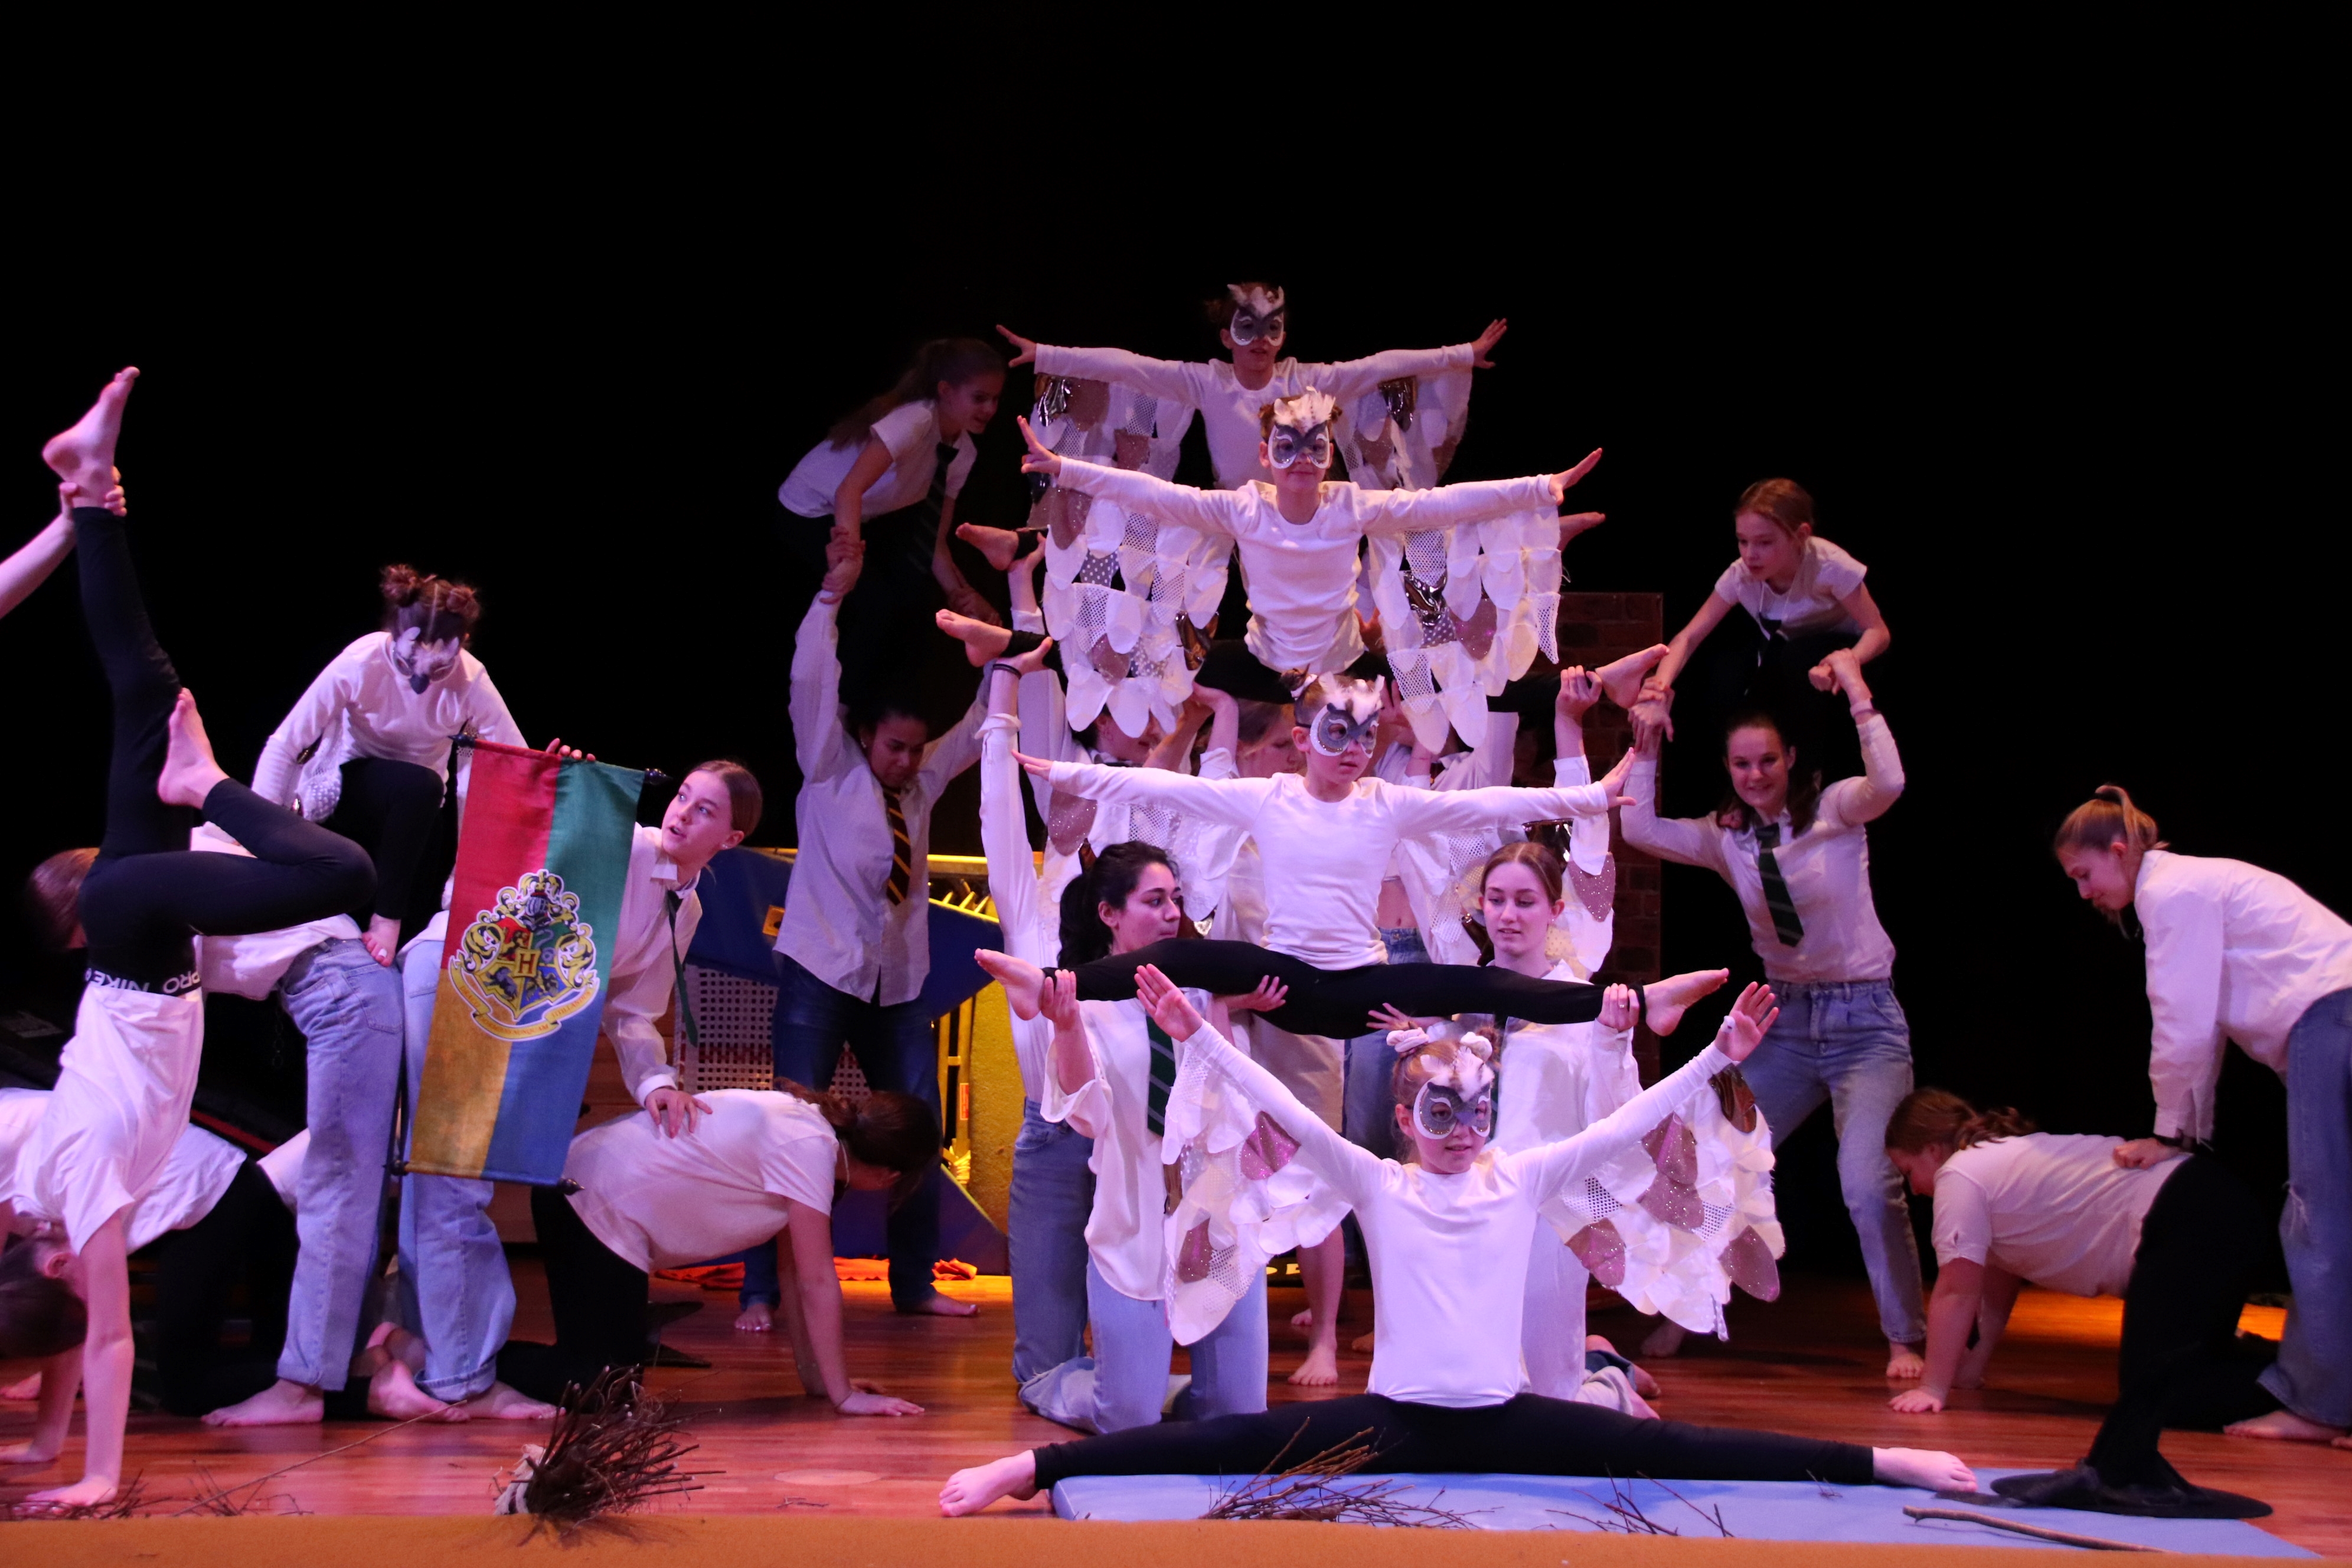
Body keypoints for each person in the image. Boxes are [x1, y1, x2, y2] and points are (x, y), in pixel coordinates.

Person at [939, 965, 1977, 1514]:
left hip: (1509, 1420)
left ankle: (1880, 1461)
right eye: (1439, 1113)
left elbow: (1630, 1121)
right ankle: (1027, 1467)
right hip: (1392, 1423)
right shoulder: (1379, 1181)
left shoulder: (1522, 1176)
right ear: (1403, 1117)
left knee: (1689, 1453)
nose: (1461, 1130)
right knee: (1219, 1441)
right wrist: (1197, 1036)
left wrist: (1717, 1055)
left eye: (1475, 1111)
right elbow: (1282, 1109)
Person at [4, 370, 376, 1506]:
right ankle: (95, 488)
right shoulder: (49, 1204)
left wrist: (99, 1478)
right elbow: (68, 1324)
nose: (96, 1279)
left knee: (344, 875)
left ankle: (206, 782)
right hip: (135, 948)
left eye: (74, 1274)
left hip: (136, 941)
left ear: (52, 1256)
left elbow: (107, 1337)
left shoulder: (76, 1194)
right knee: (144, 689)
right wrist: (41, 1447)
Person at [982, 672, 1733, 1038]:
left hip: (1365, 992)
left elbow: (1490, 805)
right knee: (1180, 956)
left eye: (1366, 737)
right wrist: (1074, 774)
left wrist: (1590, 796)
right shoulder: (1270, 796)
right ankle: (1048, 984)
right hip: (1283, 981)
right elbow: (1168, 787)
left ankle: (1638, 1004)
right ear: (1303, 740)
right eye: (1337, 735)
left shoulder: (1387, 803)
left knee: (1490, 984)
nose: (1355, 750)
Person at [392, 760, 759, 1416]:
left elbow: (634, 1008)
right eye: (682, 796)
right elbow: (512, 843)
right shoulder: (621, 845)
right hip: (467, 976)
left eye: (704, 810)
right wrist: (560, 789)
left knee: (451, 1178)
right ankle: (461, 1375)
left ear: (731, 839)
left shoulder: (688, 906)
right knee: (452, 1176)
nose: (681, 813)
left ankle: (437, 1360)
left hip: (519, 1012)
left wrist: (655, 1081)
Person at [1620, 649, 1928, 1377]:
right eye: (1741, 764)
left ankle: (1906, 1335)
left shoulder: (1835, 809)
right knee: (1709, 1155)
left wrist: (1858, 693)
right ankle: (1685, 1306)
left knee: (1865, 1181)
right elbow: (1640, 830)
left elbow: (1890, 781)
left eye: (1766, 761)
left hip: (1865, 1023)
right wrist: (1646, 743)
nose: (1755, 775)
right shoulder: (1727, 835)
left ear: (1790, 758)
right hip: (1784, 1021)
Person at [2053, 785, 2352, 1446]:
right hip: (2339, 1011)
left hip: (2332, 1018)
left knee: (2320, 1220)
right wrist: (2188, 1133)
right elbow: (2207, 1027)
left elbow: (2183, 1023)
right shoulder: (2197, 881)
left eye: (2084, 874)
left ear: (2120, 851)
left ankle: (2321, 1406)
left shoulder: (2171, 892)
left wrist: (2169, 1132)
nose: (2084, 892)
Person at [1015, 402, 1603, 704]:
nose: (1301, 458)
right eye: (1286, 446)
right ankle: (1011, 644)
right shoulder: (1245, 508)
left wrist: (1537, 487)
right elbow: (1155, 494)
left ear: (1327, 454)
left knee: (1460, 683)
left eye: (1314, 446)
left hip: (1343, 662)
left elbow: (1440, 503)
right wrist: (1066, 468)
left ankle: (1597, 682)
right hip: (1263, 663)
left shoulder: (1349, 506)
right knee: (1133, 669)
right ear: (1265, 455)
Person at [758, 535, 984, 1320]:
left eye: (915, 750)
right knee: (794, 1125)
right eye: (894, 747)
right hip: (820, 974)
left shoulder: (921, 786)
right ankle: (763, 1290)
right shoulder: (829, 766)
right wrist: (831, 598)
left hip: (896, 987)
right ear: (866, 736)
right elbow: (810, 682)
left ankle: (914, 1285)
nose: (906, 761)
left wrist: (999, 650)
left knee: (919, 1126)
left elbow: (982, 725)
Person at [1884, 1089, 2283, 1515]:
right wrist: (1972, 1367)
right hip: (2206, 1206)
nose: (1914, 1189)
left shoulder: (1960, 1175)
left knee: (2169, 1395)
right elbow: (1998, 1283)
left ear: (1932, 1150)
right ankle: (2300, 1381)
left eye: (1909, 1171)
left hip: (2191, 1214)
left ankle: (2305, 1391)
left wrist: (1933, 1387)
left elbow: (1957, 1290)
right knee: (2173, 1376)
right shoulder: (1991, 1164)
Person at [496, 1083, 930, 1416]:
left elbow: (795, 1275)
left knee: (600, 1376)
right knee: (601, 1388)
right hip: (588, 1204)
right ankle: (472, 1368)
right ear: (891, 1176)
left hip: (582, 1195)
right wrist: (845, 1397)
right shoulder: (811, 1149)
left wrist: (824, 1384)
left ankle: (474, 1366)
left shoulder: (812, 1135)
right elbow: (817, 1282)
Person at [250, 565, 527, 965]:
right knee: (418, 785)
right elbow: (286, 743)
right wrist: (258, 839)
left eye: (439, 666)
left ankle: (396, 923)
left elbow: (517, 762)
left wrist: (562, 770)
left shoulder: (471, 681)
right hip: (350, 794)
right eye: (409, 660)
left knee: (424, 793)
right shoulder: (361, 661)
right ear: (394, 632)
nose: (421, 679)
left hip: (416, 819)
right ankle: (387, 917)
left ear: (463, 643)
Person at [998, 285, 1510, 492]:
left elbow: (1380, 366)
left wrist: (1462, 354)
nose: (1261, 340)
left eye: (1272, 328)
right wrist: (1047, 355)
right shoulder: (1207, 382)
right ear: (1227, 337)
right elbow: (1128, 367)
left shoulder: (1307, 380)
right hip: (1238, 508)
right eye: (1248, 328)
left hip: (1303, 504)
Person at [973, 637, 1095, 1383]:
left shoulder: (1129, 907)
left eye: (1088, 792)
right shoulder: (1028, 910)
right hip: (1049, 1128)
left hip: (1122, 1132)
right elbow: (997, 806)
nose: (1070, 804)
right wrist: (1005, 683)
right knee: (1044, 1369)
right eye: (1062, 793)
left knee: (1129, 1352)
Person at [777, 337, 1007, 682]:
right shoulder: (916, 419)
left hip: (856, 514)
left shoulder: (964, 454)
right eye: (979, 398)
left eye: (995, 399)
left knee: (905, 603)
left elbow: (936, 542)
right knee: (875, 605)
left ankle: (858, 699)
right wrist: (850, 559)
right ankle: (837, 701)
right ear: (946, 391)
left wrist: (961, 594)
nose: (989, 409)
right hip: (807, 508)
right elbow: (848, 490)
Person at [1632, 477, 1890, 773]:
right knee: (1731, 688)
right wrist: (1658, 692)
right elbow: (1689, 637)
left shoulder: (1829, 565)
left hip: (1848, 658)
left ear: (1801, 535)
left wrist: (1844, 663)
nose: (1750, 554)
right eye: (1743, 541)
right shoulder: (1741, 575)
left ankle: (1809, 781)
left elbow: (1878, 632)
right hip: (1790, 661)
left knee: (1795, 661)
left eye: (1765, 543)